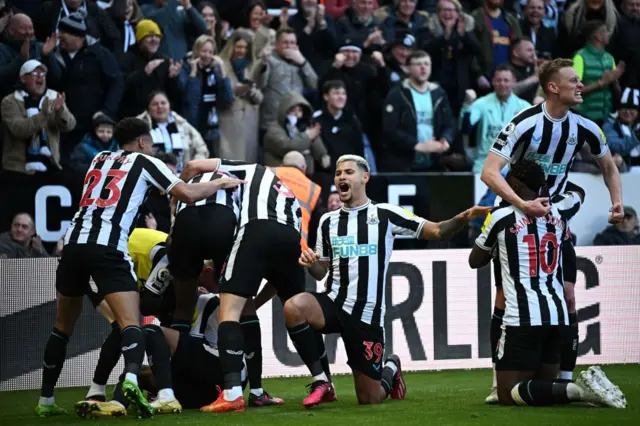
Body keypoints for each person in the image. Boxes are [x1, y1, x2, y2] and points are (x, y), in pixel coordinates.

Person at [34, 117, 244, 418]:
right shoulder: (146, 162)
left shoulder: (98, 158)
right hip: (107, 249)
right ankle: (131, 380)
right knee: (130, 323)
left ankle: (46, 401)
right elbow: (187, 193)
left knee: (61, 329)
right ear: (143, 142)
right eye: (152, 144)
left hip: (72, 246)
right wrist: (220, 182)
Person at [283, 154, 491, 407]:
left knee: (369, 398)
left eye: (348, 172)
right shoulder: (328, 221)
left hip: (366, 317)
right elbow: (320, 272)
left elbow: (436, 231)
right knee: (294, 308)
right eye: (338, 174)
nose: (341, 177)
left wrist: (464, 217)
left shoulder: (385, 214)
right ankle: (322, 381)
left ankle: (391, 367)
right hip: (333, 302)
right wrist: (311, 264)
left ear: (365, 177)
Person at [479, 57, 625, 403]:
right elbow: (489, 172)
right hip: (516, 222)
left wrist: (616, 202)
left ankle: (564, 380)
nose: (581, 85)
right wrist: (522, 204)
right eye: (573, 80)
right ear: (552, 87)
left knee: (568, 296)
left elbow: (609, 166)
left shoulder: (586, 127)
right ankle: (496, 375)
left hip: (555, 223)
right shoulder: (523, 124)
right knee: (504, 298)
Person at [468, 160, 626, 408]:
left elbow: (474, 260)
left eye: (508, 183)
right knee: (545, 389)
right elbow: (578, 193)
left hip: (522, 318)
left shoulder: (500, 216)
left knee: (507, 395)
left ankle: (580, 391)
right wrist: (552, 179)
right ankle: (574, 388)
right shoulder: (561, 208)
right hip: (558, 316)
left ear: (516, 185)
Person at [178, 157, 311, 413]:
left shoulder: (209, 179)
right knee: (242, 308)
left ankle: (170, 388)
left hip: (185, 223)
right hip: (225, 227)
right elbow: (195, 164)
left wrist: (176, 199)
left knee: (183, 305)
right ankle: (254, 391)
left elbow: (192, 167)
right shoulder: (256, 181)